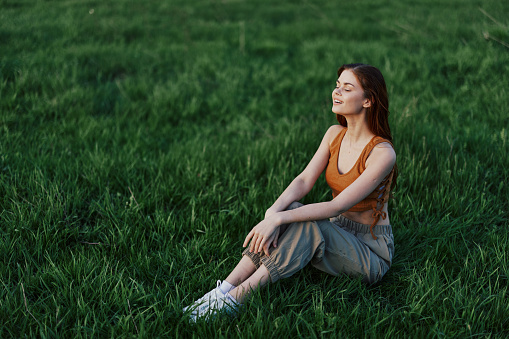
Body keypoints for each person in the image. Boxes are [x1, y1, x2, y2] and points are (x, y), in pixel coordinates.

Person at [183, 63, 397, 321]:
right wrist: (273, 212)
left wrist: (278, 220)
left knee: (306, 224)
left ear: (368, 101)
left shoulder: (382, 153)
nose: (336, 92)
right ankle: (224, 289)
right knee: (292, 210)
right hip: (337, 230)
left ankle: (236, 299)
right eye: (337, 85)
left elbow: (337, 206)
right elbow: (304, 180)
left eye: (347, 88)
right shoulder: (334, 134)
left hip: (370, 252)